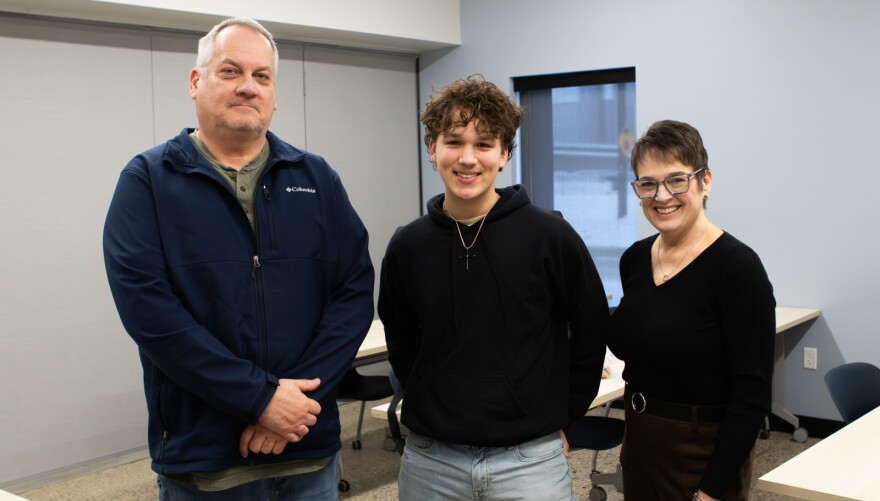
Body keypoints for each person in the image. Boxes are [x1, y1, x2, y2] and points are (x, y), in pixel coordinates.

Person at [102, 17, 374, 500]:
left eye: (262, 76)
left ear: (273, 92)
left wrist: (293, 407)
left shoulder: (316, 178)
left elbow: (352, 293)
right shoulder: (148, 181)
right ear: (196, 81)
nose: (248, 87)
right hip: (207, 461)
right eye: (230, 71)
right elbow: (151, 314)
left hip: (309, 453)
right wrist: (260, 399)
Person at [378, 75, 610, 500]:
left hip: (529, 461)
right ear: (432, 148)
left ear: (504, 154)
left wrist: (566, 415)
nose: (468, 158)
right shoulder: (408, 246)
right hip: (432, 461)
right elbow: (403, 341)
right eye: (454, 141)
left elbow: (591, 331)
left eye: (484, 144)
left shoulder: (549, 236)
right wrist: (432, 399)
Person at [608, 120, 776, 501]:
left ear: (705, 181)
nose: (661, 195)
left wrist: (712, 490)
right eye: (647, 183)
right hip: (639, 439)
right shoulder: (635, 259)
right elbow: (634, 338)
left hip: (700, 451)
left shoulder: (737, 268)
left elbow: (751, 397)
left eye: (676, 180)